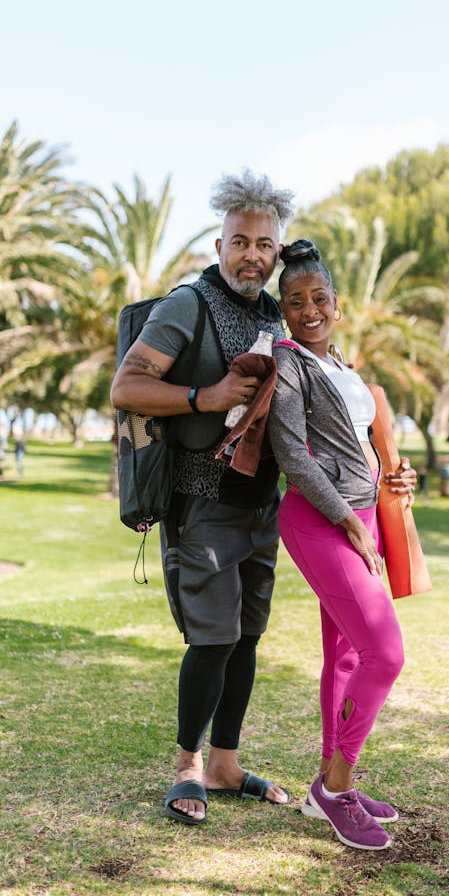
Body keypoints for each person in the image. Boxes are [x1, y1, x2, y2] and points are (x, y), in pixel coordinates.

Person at [110, 169, 295, 826]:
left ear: (278, 253)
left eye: (264, 244)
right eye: (240, 241)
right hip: (201, 502)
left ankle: (225, 762)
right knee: (212, 640)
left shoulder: (276, 315)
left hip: (260, 505)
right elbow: (128, 387)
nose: (252, 254)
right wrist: (203, 397)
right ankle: (187, 765)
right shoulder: (187, 305)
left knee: (246, 638)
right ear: (220, 244)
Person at [266, 239, 417, 851]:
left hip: (363, 514)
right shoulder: (289, 362)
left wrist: (394, 479)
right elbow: (293, 455)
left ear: (337, 302)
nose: (309, 310)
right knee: (384, 652)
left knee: (348, 658)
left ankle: (326, 786)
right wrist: (348, 520)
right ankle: (336, 788)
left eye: (319, 298)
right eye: (296, 301)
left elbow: (366, 447)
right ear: (283, 310)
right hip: (316, 519)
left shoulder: (343, 367)